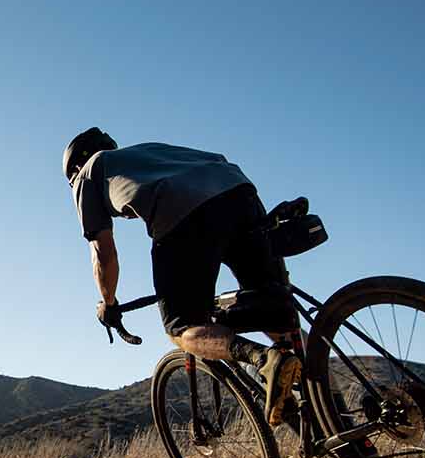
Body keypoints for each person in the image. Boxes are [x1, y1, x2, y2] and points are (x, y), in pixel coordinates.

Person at [63, 127, 300, 425]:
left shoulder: (85, 175)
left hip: (186, 213)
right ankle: (332, 417)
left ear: (73, 168)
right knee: (275, 309)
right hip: (240, 191)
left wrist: (108, 303)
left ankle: (264, 359)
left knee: (181, 327)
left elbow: (103, 254)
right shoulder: (150, 151)